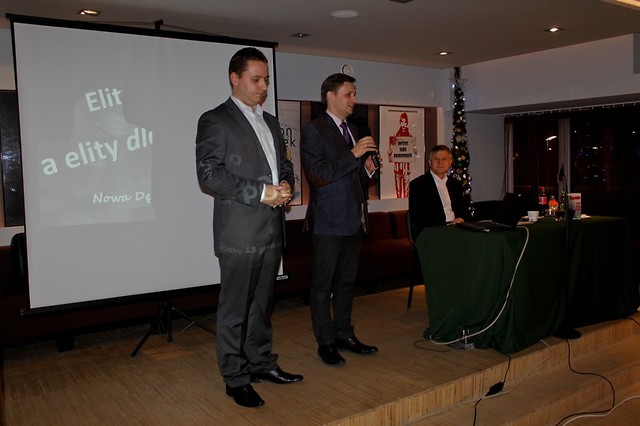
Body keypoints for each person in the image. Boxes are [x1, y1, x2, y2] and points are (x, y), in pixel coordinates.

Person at [195, 47, 302, 408]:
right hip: (239, 233)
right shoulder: (215, 120)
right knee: (235, 310)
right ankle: (235, 377)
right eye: (256, 80)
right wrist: (261, 192)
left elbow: (283, 166)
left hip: (272, 229)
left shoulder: (270, 121)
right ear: (234, 78)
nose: (263, 87)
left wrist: (285, 184)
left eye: (266, 80)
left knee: (262, 306)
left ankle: (261, 363)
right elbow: (209, 174)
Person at [301, 73, 380, 366]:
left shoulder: (354, 130)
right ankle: (326, 342)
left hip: (353, 219)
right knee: (323, 286)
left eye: (355, 94)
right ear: (330, 96)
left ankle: (345, 334)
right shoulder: (314, 130)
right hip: (327, 222)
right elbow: (318, 175)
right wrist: (353, 154)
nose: (354, 100)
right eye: (349, 94)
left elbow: (355, 178)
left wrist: (368, 168)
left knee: (347, 283)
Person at [408, 144, 470, 238]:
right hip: (432, 232)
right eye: (436, 159)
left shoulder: (455, 184)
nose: (440, 162)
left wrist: (460, 219)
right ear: (429, 162)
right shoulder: (418, 185)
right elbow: (417, 218)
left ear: (450, 162)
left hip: (456, 229)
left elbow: (463, 208)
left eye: (444, 159)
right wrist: (446, 227)